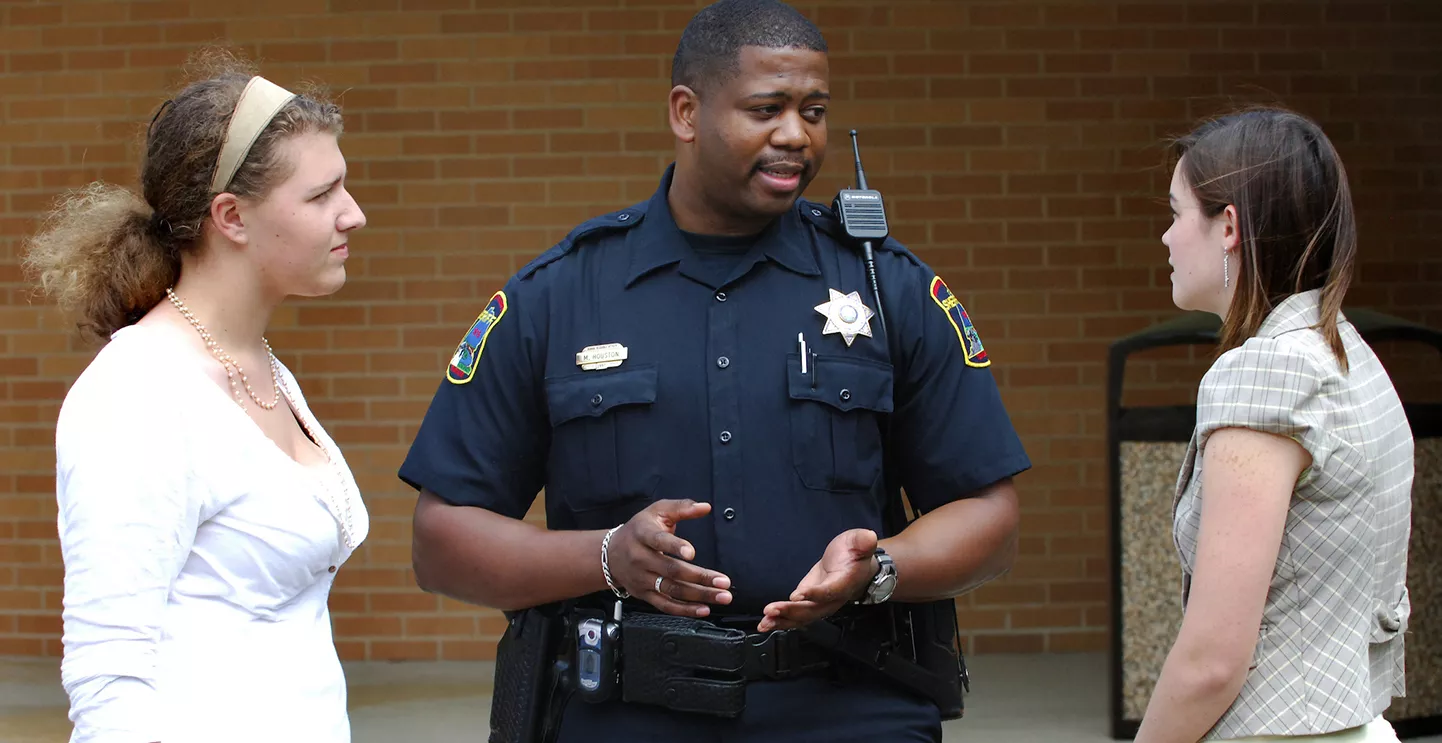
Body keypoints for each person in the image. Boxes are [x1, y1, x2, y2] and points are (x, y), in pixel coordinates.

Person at [397, 1, 1029, 741]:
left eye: (814, 110)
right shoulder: (561, 297)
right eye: (768, 108)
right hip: (627, 714)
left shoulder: (889, 290)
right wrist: (606, 556)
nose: (796, 135)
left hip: (852, 706)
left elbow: (992, 515)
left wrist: (880, 566)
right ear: (686, 112)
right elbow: (441, 541)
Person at [24, 50, 369, 743]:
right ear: (231, 217)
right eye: (320, 195)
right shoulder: (137, 395)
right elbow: (107, 680)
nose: (352, 215)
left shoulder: (260, 364)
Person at [1135, 107, 1412, 743]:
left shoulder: (1265, 375)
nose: (1166, 237)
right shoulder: (1344, 350)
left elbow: (1212, 661)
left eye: (1177, 213)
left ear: (1227, 226)